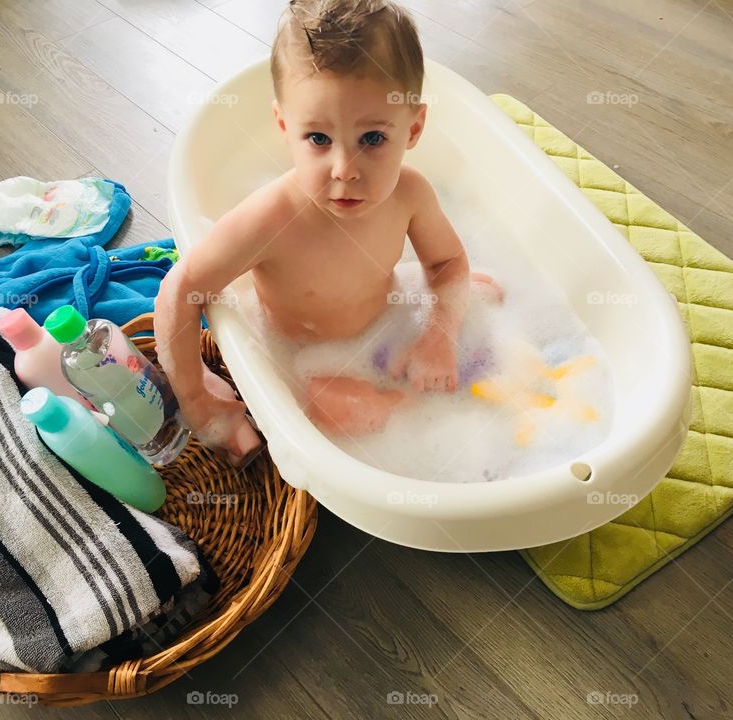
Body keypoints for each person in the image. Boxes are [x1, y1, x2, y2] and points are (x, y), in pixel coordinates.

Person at [154, 0, 502, 465]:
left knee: (488, 290)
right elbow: (181, 288)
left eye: (372, 139)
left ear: (413, 127)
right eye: (318, 139)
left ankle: (438, 378)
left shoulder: (410, 194)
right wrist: (197, 398)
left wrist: (438, 335)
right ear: (284, 126)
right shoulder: (269, 219)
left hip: (389, 320)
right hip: (312, 359)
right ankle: (407, 404)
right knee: (327, 409)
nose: (344, 170)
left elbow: (447, 262)